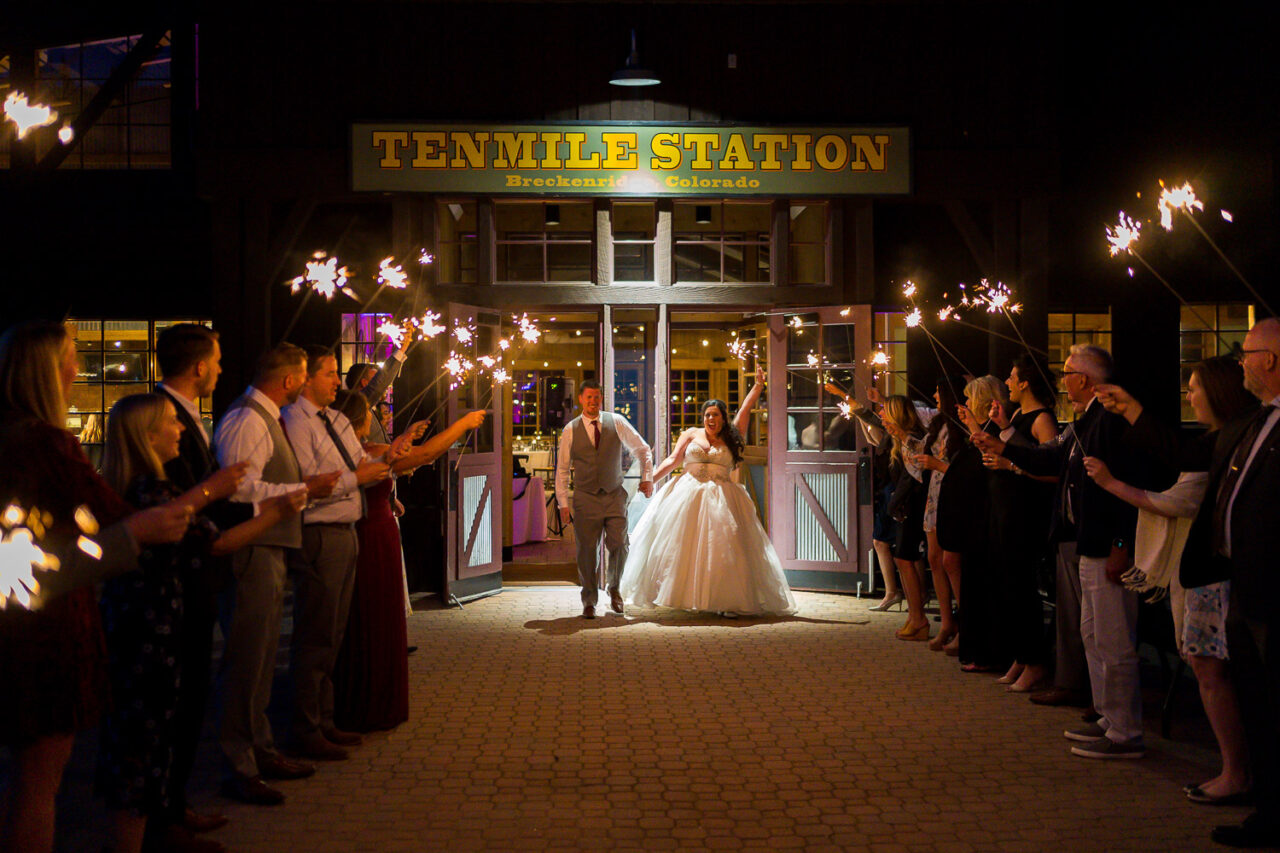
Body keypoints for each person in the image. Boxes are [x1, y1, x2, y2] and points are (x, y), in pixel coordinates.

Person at [0, 321, 190, 853]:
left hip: (16, 611)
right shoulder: (46, 442)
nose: (77, 369)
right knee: (40, 777)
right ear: (48, 370)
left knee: (22, 773)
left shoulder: (9, 436)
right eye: (71, 358)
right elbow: (109, 518)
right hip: (49, 621)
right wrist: (149, 526)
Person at [95, 393, 305, 853]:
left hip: (137, 618)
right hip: (150, 624)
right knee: (148, 733)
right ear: (147, 435)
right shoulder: (152, 490)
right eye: (172, 422)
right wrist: (271, 509)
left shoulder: (132, 484)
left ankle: (159, 820)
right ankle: (151, 830)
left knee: (146, 730)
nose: (181, 430)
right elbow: (217, 541)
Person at [1100, 318, 1280, 847]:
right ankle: (1265, 807)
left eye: (1247, 354)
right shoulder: (1252, 423)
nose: (1241, 362)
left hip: (1266, 584)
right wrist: (1132, 410)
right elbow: (1185, 454)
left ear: (1270, 360)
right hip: (1241, 583)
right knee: (1258, 701)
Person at [1086, 356, 1256, 808]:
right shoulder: (1218, 439)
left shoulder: (1239, 436)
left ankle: (1237, 770)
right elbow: (1179, 454)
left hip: (1219, 577)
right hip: (1208, 575)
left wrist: (1111, 486)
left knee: (1212, 672)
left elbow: (1173, 495)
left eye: (1194, 387)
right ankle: (1236, 769)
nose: (1189, 395)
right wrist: (1130, 410)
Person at [974, 344, 1153, 759]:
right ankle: (1108, 717)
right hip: (1085, 542)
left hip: (1105, 546)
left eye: (1069, 373)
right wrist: (1003, 447)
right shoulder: (1086, 421)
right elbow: (1051, 459)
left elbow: (1125, 488)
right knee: (1093, 635)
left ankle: (1126, 731)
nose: (1062, 381)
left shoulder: (1109, 422)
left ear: (1086, 379)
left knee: (1113, 640)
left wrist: (1121, 545)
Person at [213, 343, 341, 806]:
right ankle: (240, 763)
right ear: (289, 380)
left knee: (264, 655)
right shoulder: (248, 420)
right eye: (305, 376)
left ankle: (261, 749)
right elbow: (238, 490)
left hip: (270, 544)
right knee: (247, 657)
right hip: (253, 546)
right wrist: (302, 488)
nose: (306, 384)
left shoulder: (265, 416)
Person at [331, 390, 485, 731]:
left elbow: (402, 456)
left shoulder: (361, 448)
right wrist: (463, 423)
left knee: (376, 614)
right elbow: (427, 453)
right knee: (371, 614)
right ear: (357, 418)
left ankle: (367, 698)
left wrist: (403, 439)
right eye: (369, 411)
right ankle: (367, 702)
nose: (373, 416)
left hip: (378, 532)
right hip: (371, 537)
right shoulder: (357, 453)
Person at [153, 323, 250, 845]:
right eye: (215, 360)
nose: (219, 369)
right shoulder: (161, 416)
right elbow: (179, 494)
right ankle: (165, 812)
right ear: (198, 367)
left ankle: (176, 801)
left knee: (192, 687)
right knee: (179, 693)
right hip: (179, 570)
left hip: (198, 564)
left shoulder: (189, 414)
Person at [620, 368, 796, 616]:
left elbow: (745, 410)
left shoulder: (732, 436)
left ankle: (727, 602)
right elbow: (672, 460)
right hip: (687, 493)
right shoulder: (691, 434)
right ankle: (680, 595)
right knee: (679, 547)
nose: (710, 419)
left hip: (721, 496)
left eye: (715, 415)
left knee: (722, 546)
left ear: (723, 418)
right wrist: (650, 480)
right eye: (707, 415)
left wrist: (757, 387)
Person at [983, 355, 1059, 693]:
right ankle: (1021, 654)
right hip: (1006, 509)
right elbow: (1013, 447)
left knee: (1023, 589)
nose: (1008, 382)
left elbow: (1050, 469)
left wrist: (1010, 465)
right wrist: (999, 428)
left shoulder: (1043, 419)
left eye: (1012, 377)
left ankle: (1035, 661)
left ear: (1025, 382)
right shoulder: (1016, 416)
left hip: (1027, 514)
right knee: (1008, 586)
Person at [554, 379, 653, 618]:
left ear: (601, 398)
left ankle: (614, 589)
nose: (593, 401)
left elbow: (643, 449)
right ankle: (589, 599)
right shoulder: (570, 429)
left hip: (614, 495)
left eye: (597, 397)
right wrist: (563, 503)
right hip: (585, 497)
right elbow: (563, 469)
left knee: (619, 543)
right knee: (587, 550)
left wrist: (647, 478)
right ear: (581, 399)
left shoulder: (616, 421)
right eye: (589, 397)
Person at [912, 377, 965, 652]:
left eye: (937, 392)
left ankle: (964, 623)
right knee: (934, 557)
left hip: (951, 487)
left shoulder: (961, 425)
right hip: (935, 488)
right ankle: (946, 622)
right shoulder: (937, 421)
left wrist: (936, 463)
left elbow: (963, 466)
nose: (934, 396)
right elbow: (909, 415)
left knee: (950, 560)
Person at [878, 395, 932, 639]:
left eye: (885, 412)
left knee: (905, 557)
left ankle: (919, 619)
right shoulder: (898, 440)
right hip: (904, 504)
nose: (882, 416)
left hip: (914, 505)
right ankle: (913, 615)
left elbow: (912, 475)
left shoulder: (914, 439)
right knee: (902, 558)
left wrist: (894, 503)